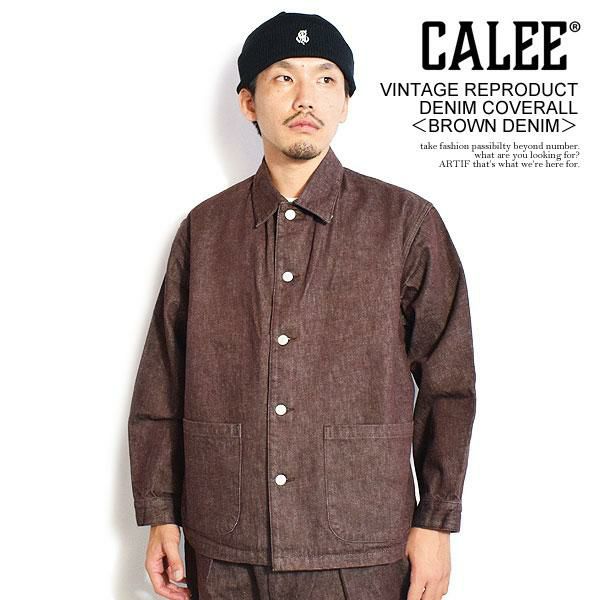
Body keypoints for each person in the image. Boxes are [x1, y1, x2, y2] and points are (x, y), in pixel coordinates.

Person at [127, 11, 477, 600]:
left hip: (364, 546)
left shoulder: (406, 224)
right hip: (225, 544)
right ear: (248, 102)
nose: (305, 97)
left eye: (326, 79)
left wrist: (436, 523)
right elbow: (164, 377)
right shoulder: (204, 230)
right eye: (284, 78)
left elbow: (449, 383)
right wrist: (161, 512)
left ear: (346, 104)